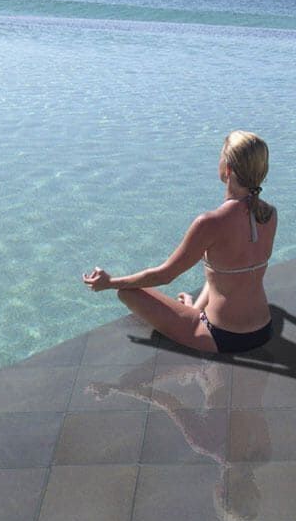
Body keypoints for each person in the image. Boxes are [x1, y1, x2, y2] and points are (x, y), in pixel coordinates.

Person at [83, 130, 276, 354]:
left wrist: (110, 281)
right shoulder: (270, 214)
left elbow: (164, 275)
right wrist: (194, 308)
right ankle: (195, 309)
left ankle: (194, 313)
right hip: (263, 329)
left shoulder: (209, 223)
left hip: (220, 336)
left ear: (228, 170)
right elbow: (229, 273)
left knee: (128, 292)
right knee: (221, 273)